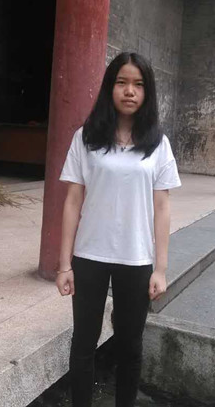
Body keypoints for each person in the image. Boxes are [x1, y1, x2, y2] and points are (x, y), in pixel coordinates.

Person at [55, 52, 181, 407]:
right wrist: (64, 265)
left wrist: (160, 268)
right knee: (84, 342)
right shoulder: (86, 138)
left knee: (130, 344)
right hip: (90, 255)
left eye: (138, 84)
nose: (129, 91)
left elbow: (162, 207)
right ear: (110, 87)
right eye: (122, 82)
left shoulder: (158, 143)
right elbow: (72, 202)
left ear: (147, 92)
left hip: (136, 258)